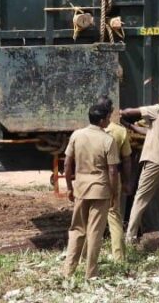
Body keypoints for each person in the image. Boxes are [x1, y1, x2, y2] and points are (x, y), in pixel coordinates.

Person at [62, 102, 120, 279]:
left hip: (80, 189)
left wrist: (70, 188)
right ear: (102, 120)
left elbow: (67, 164)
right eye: (108, 118)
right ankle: (91, 273)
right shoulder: (108, 140)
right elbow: (112, 171)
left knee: (77, 230)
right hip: (100, 190)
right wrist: (113, 192)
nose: (109, 121)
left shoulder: (76, 135)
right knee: (95, 232)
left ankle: (68, 272)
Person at [121, 87, 159, 247]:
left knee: (141, 198)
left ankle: (130, 238)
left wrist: (120, 113)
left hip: (155, 160)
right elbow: (150, 131)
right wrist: (131, 127)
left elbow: (131, 111)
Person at [91, 95, 133, 261]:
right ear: (111, 112)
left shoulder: (85, 132)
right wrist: (127, 182)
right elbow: (127, 160)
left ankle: (86, 257)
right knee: (114, 218)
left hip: (93, 179)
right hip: (113, 178)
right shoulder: (120, 131)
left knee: (92, 219)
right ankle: (119, 258)